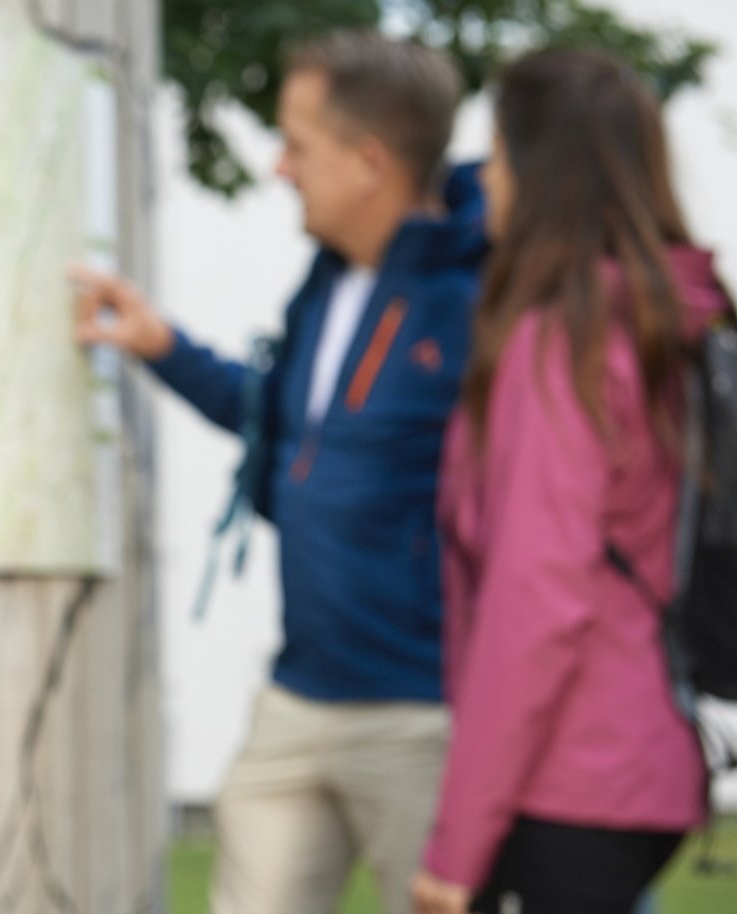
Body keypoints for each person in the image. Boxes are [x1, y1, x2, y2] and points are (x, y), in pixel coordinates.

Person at [73, 31, 482, 914]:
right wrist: (166, 348)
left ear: (370, 162)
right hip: (299, 698)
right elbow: (285, 427)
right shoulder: (327, 284)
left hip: (425, 714)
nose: (279, 168)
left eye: (299, 144)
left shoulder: (473, 305)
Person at [410, 49, 717, 914]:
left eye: (500, 153)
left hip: (568, 785)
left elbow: (535, 602)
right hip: (639, 763)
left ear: (541, 172)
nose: (487, 177)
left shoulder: (563, 341)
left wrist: (455, 851)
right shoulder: (659, 315)